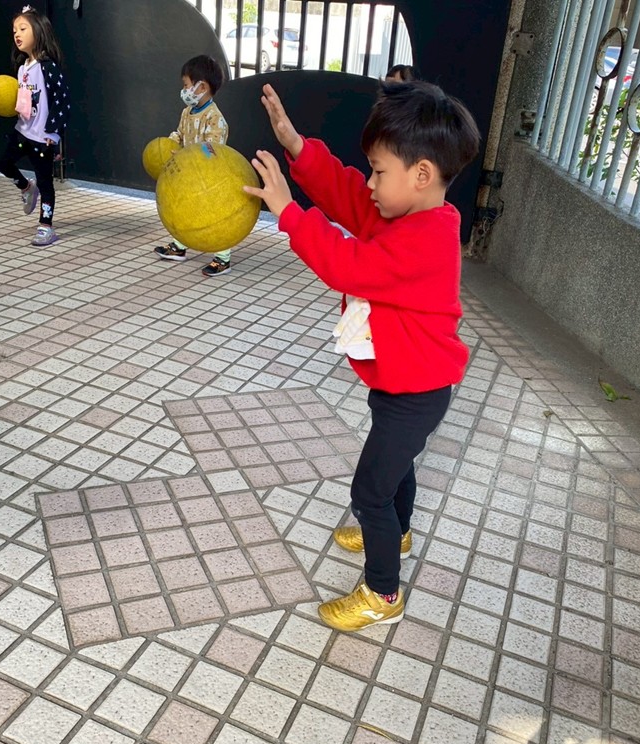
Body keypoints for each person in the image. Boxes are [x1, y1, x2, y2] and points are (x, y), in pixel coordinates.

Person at [245, 81, 481, 632]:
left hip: (416, 392)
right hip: (402, 382)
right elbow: (348, 194)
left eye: (378, 171)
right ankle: (398, 532)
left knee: (370, 491)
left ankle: (382, 593)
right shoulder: (405, 213)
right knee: (397, 468)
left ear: (421, 174)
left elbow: (346, 266)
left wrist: (288, 212)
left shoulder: (424, 241)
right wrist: (297, 146)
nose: (369, 182)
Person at [0, 5, 70, 247]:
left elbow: (62, 101)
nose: (17, 34)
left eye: (23, 29)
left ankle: (46, 226)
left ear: (39, 31)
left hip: (42, 137)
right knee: (2, 162)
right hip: (22, 131)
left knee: (46, 182)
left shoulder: (48, 67)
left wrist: (54, 133)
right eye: (14, 30)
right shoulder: (22, 68)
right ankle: (26, 187)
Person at [153, 54, 234, 277]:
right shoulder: (187, 113)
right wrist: (169, 144)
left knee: (215, 214)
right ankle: (179, 246)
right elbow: (180, 134)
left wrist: (186, 154)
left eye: (186, 85)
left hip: (210, 178)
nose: (184, 90)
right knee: (183, 208)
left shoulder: (215, 118)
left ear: (202, 87)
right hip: (189, 174)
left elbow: (212, 150)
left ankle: (223, 257)